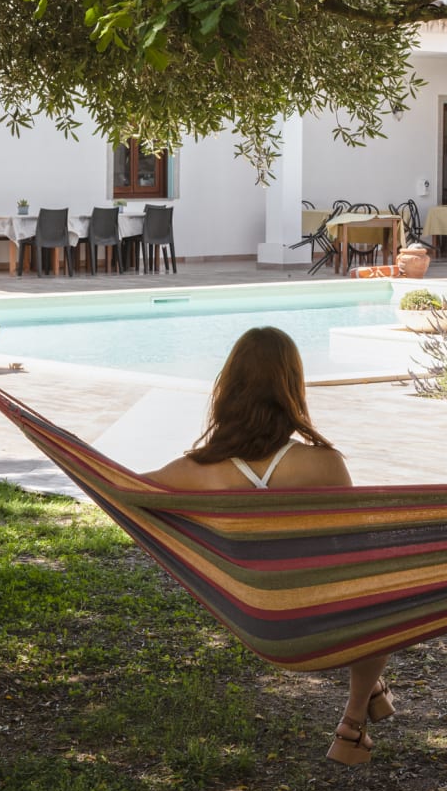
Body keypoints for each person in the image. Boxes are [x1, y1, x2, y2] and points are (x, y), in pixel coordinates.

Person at [145, 326, 396, 765]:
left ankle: (372, 691)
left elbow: (126, 491)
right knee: (386, 596)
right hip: (326, 623)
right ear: (292, 388)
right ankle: (352, 723)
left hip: (259, 624)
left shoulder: (194, 471)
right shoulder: (324, 464)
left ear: (228, 388)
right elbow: (361, 553)